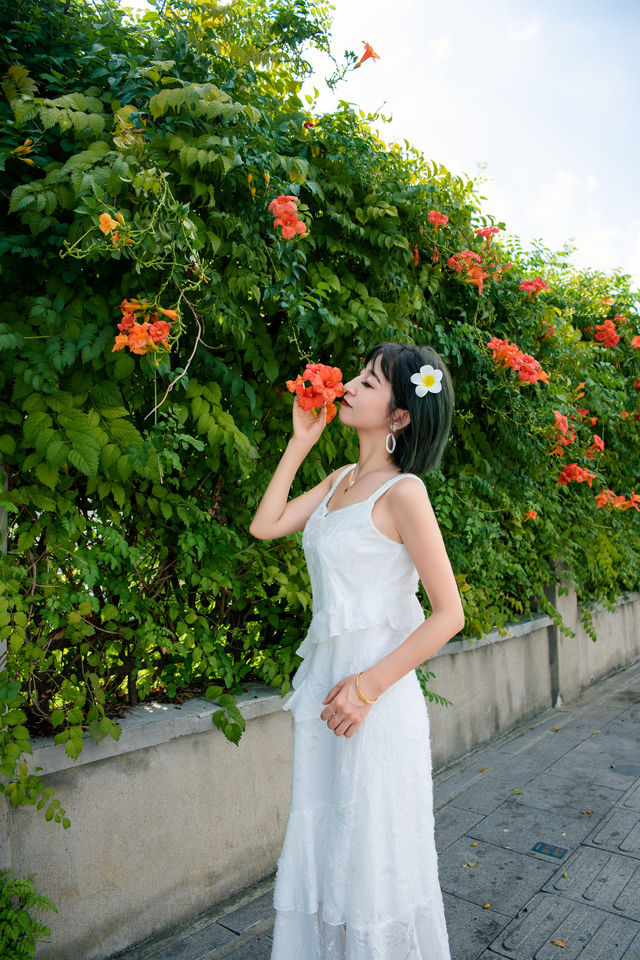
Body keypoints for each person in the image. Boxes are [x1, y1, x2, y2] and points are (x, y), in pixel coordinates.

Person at [249, 341, 464, 960]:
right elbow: (266, 525)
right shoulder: (341, 480)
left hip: (375, 698)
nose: (352, 385)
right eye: (362, 375)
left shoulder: (405, 494)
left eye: (370, 382)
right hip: (326, 690)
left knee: (371, 859)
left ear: (399, 417)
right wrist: (300, 443)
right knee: (331, 847)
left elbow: (449, 614)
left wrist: (368, 688)